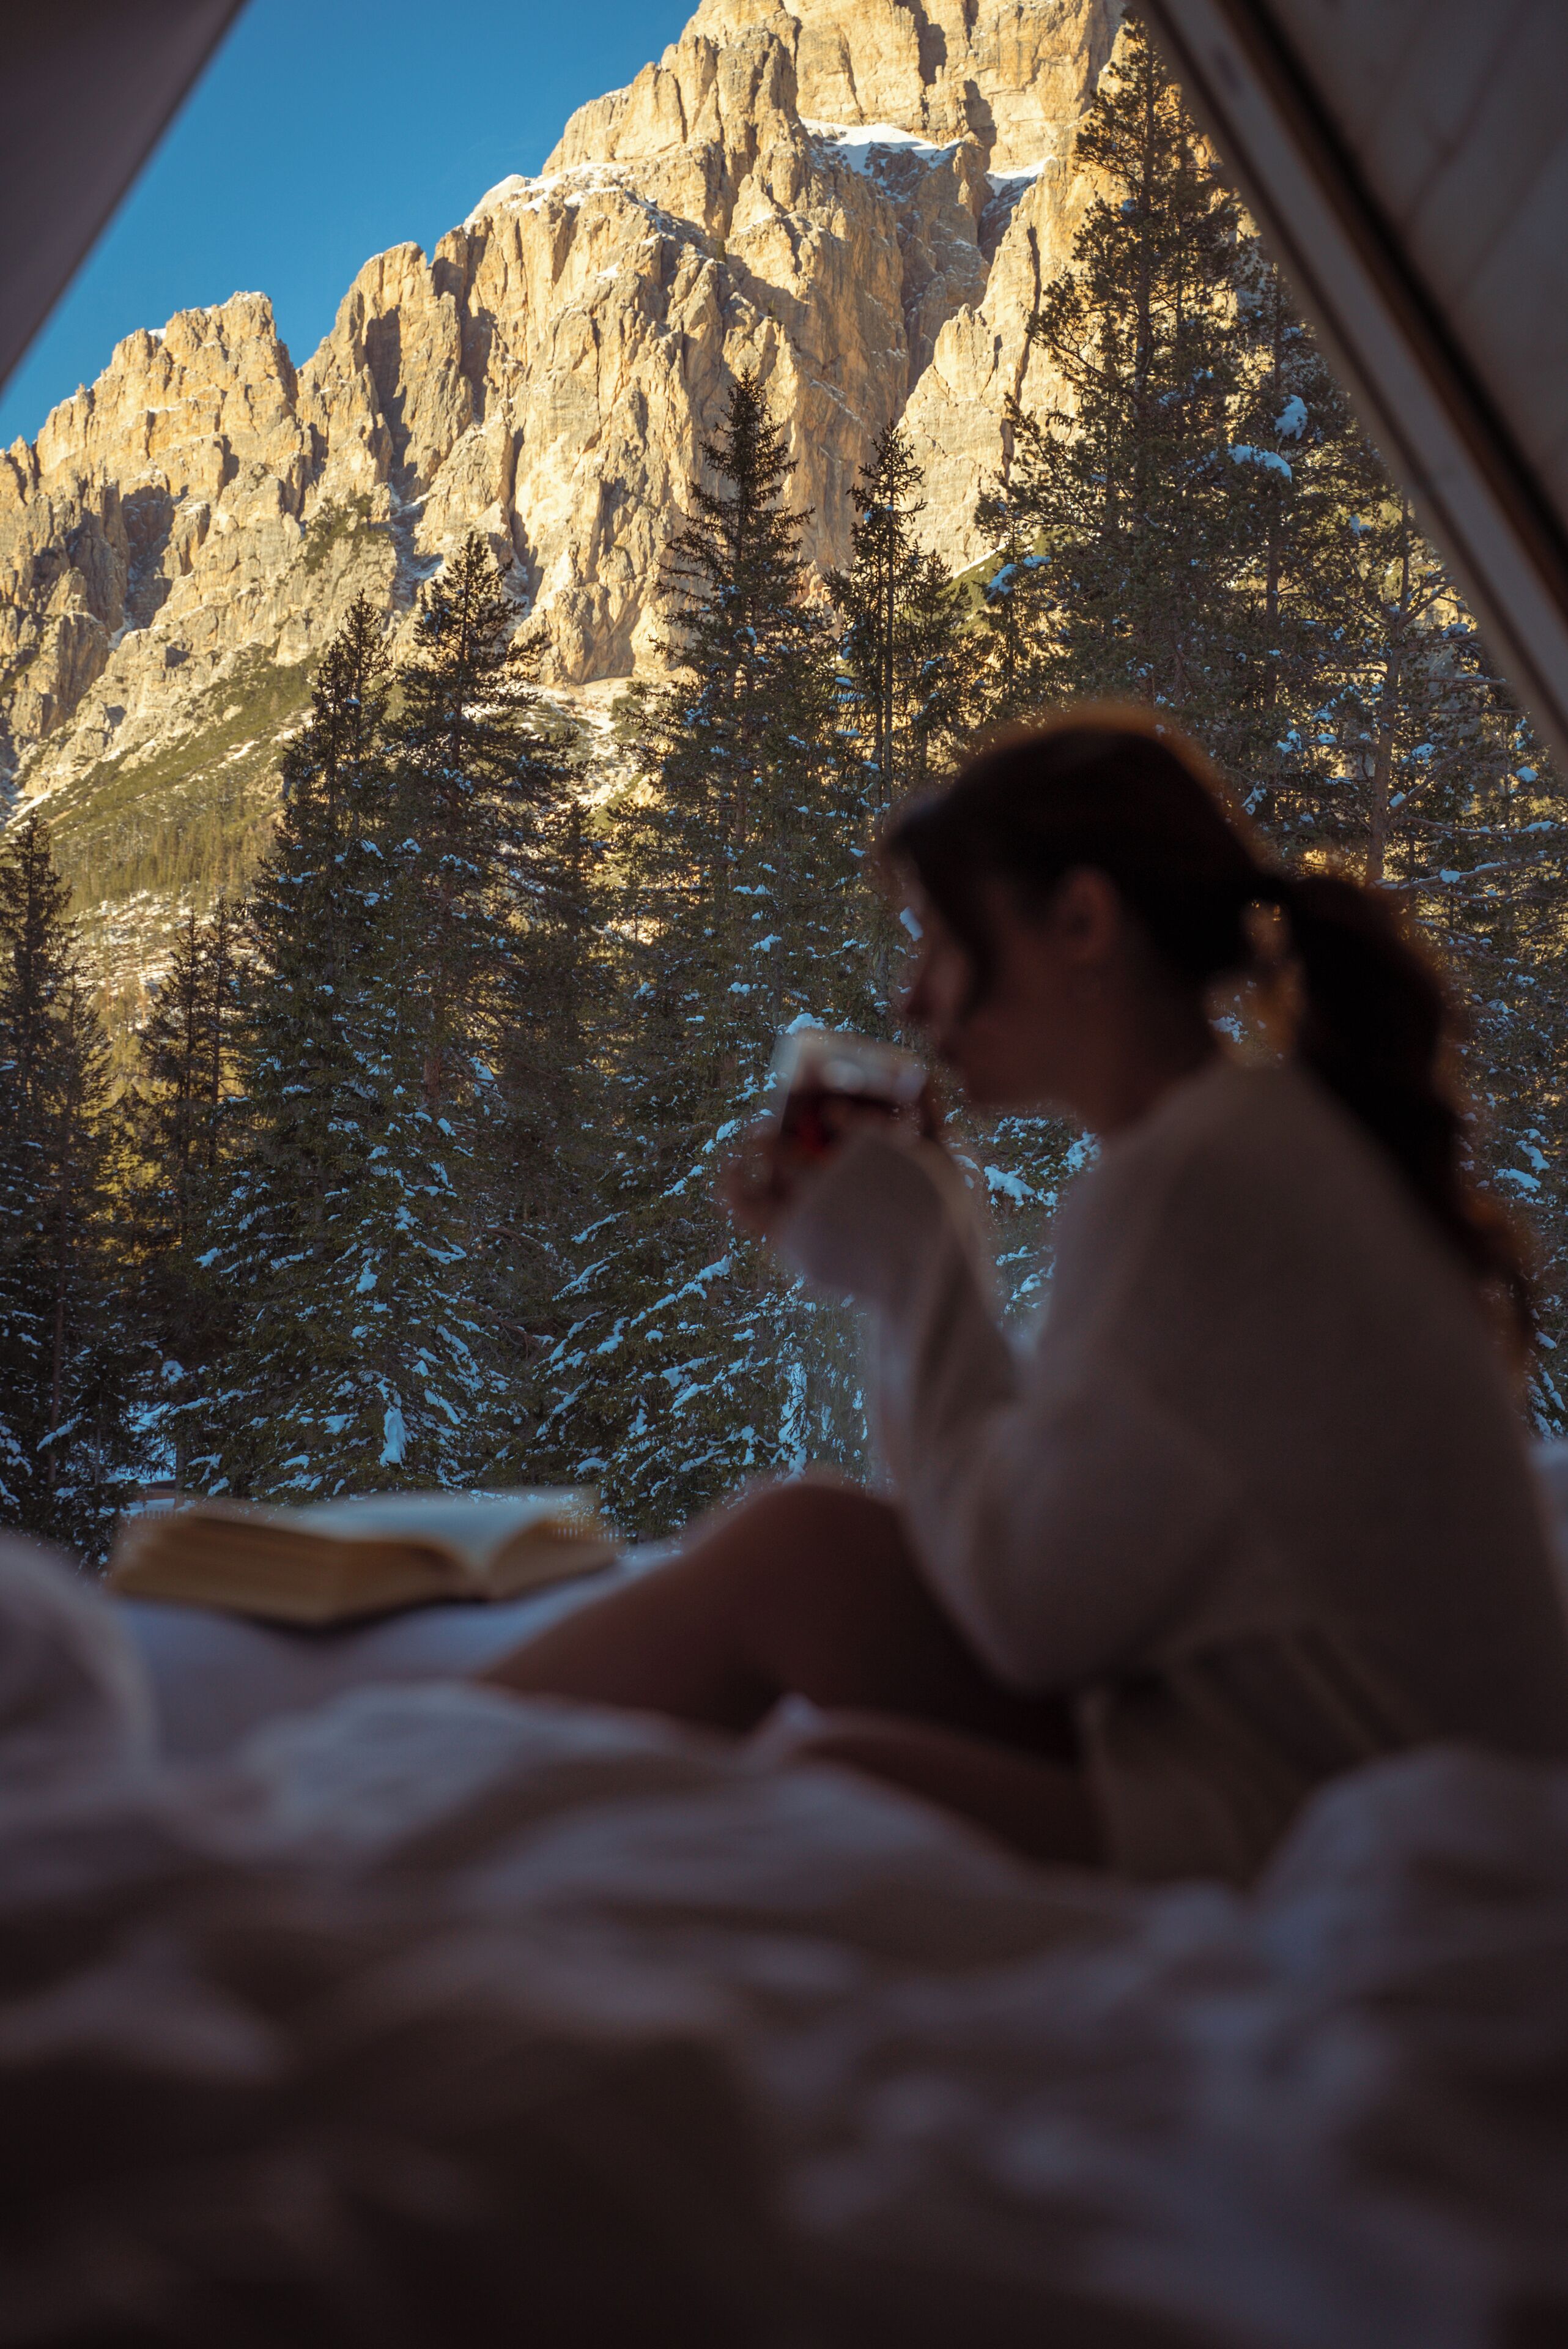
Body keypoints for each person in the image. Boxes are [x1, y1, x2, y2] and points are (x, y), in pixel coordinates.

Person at [486, 710, 1568, 1882]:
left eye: (943, 944)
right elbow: (1061, 1519)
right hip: (1274, 1738)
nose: (913, 999)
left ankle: (394, 1799)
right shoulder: (1236, 1142)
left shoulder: (1199, 1183)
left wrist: (916, 1266)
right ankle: (417, 1773)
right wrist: (920, 1249)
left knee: (829, 1784)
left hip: (1336, 1809)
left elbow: (1024, 1610)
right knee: (796, 1547)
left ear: (1083, 924)